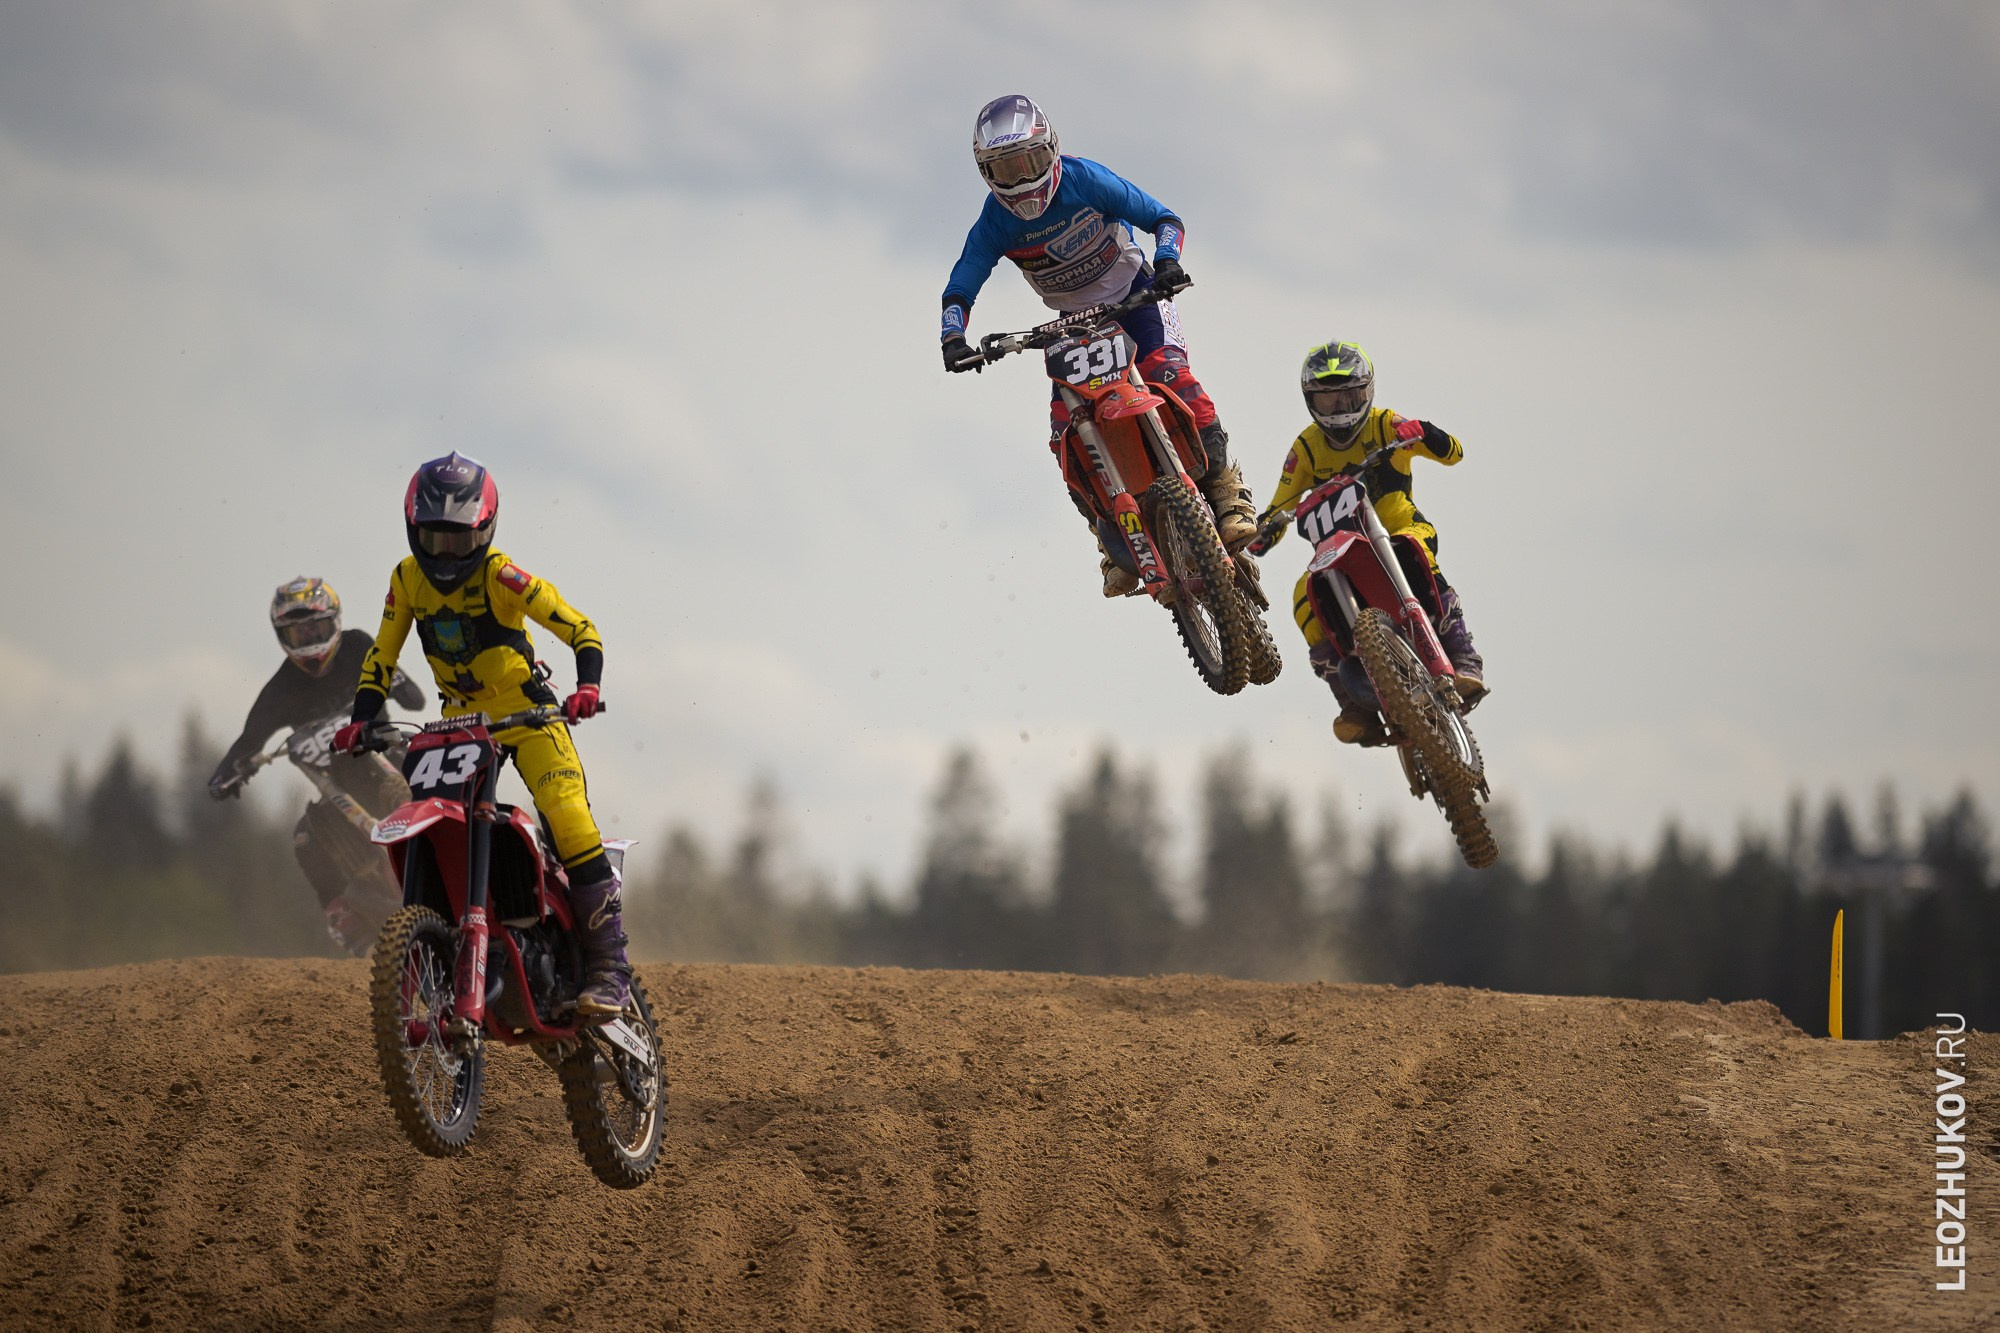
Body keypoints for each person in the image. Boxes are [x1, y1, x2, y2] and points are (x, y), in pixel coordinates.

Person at [330, 452, 632, 1016]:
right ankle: (452, 947)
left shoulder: (502, 576)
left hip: (530, 714)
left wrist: (585, 687)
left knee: (567, 815)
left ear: (486, 530)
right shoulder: (406, 578)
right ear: (414, 529)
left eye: (459, 541)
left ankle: (609, 970)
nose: (446, 555)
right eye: (435, 539)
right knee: (430, 826)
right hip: (457, 727)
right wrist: (361, 719)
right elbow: (381, 657)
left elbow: (580, 628)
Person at [938, 94, 1256, 596]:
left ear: (1052, 150)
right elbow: (963, 279)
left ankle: (1225, 489)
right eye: (1006, 169)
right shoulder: (995, 222)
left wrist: (1168, 260)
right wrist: (952, 336)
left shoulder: (1086, 180)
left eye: (1031, 162)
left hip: (1138, 296)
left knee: (1170, 375)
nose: (1022, 180)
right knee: (1065, 430)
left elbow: (1164, 218)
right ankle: (1109, 540)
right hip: (1070, 326)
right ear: (985, 172)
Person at [1248, 342, 1487, 745]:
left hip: (1394, 523)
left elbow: (1455, 454)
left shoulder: (1385, 424)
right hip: (1337, 552)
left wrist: (1426, 432)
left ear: (1367, 391)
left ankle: (1463, 657)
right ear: (1311, 401)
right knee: (1301, 597)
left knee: (1418, 547)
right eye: (1328, 398)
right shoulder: (1305, 447)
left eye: (1349, 395)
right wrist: (1260, 532)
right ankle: (1351, 702)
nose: (1340, 407)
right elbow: (1280, 503)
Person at [208, 576, 425, 953]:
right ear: (282, 637)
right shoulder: (281, 689)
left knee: (407, 793)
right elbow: (248, 741)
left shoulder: (358, 645)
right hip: (339, 788)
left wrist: (399, 683)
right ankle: (345, 914)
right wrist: (226, 772)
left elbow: (415, 699)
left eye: (315, 629)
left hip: (389, 761)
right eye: (297, 634)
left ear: (335, 623)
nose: (309, 642)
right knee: (305, 837)